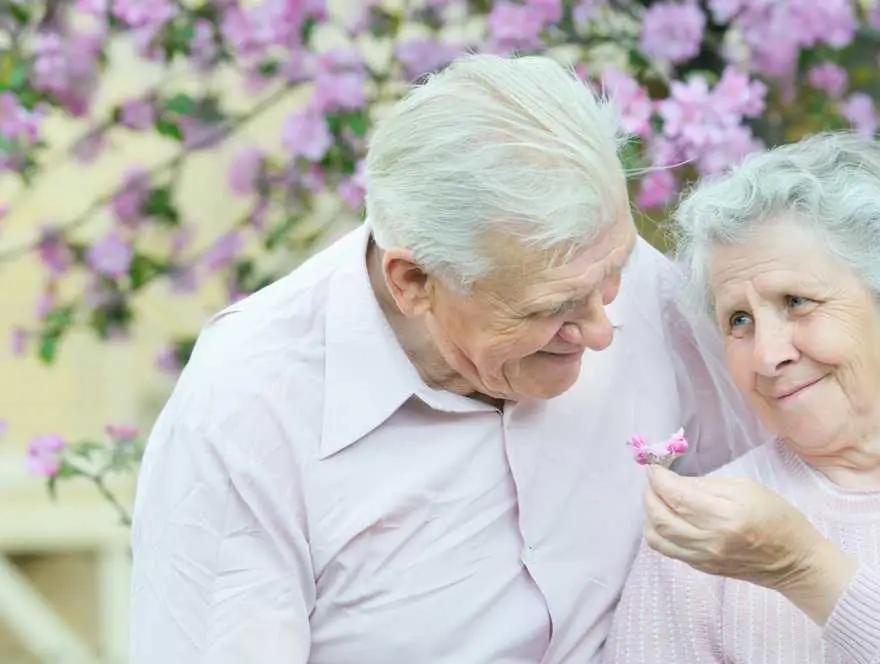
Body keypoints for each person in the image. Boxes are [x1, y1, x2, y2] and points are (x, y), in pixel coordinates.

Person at [128, 53, 765, 664]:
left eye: (612, 280)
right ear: (413, 282)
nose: (603, 331)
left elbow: (809, 474)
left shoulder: (608, 275)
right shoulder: (250, 406)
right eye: (553, 309)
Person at [603, 131, 880, 664]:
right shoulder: (704, 532)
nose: (767, 354)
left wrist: (805, 569)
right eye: (738, 320)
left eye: (796, 302)